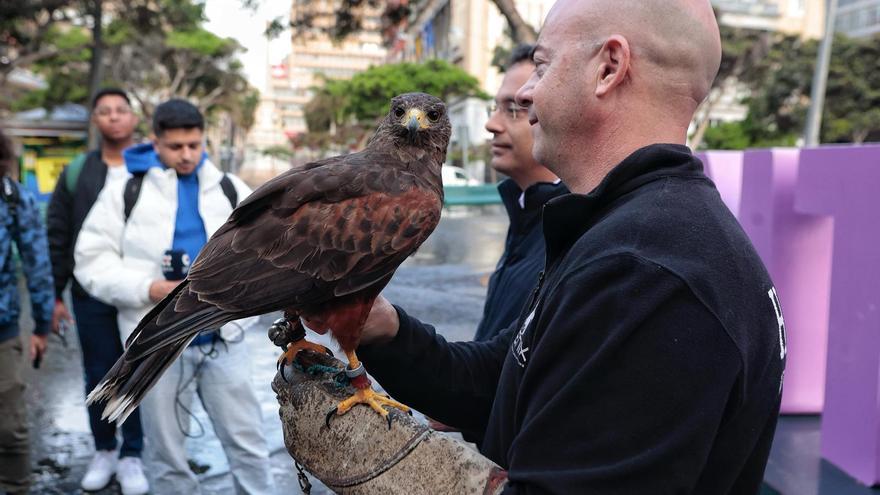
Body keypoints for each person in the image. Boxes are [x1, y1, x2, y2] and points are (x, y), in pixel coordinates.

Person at [351, 1, 786, 492]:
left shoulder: (647, 273)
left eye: (541, 65)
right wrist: (383, 331)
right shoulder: (622, 230)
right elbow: (503, 382)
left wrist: (395, 478)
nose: (529, 92)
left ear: (608, 68)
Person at [74, 99, 275, 494]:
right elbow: (90, 261)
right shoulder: (126, 191)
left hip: (224, 342)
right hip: (156, 345)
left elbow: (269, 262)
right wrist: (147, 289)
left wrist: (236, 312)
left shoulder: (232, 189)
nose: (186, 155)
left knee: (248, 446)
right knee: (166, 456)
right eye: (175, 146)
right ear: (156, 142)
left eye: (194, 145)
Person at [46, 87, 149, 495]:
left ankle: (133, 454)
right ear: (95, 120)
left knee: (138, 368)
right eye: (104, 111)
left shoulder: (151, 169)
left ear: (133, 118)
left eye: (120, 110)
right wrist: (53, 296)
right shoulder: (77, 172)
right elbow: (57, 233)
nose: (113, 117)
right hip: (89, 294)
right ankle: (105, 448)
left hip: (138, 291)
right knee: (97, 370)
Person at [475, 44, 567, 343]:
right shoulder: (527, 213)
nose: (491, 125)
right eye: (495, 108)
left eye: (514, 109)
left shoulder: (572, 235)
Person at [0, 129, 54, 495]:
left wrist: (41, 325)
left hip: (2, 332)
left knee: (10, 426)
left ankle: (16, 486)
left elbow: (37, 264)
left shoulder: (13, 198)